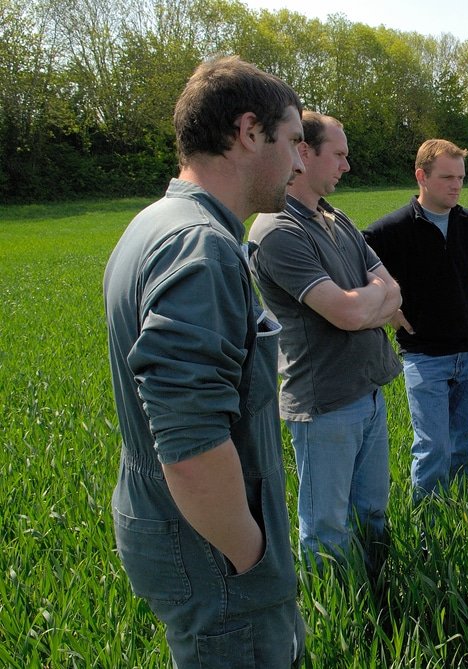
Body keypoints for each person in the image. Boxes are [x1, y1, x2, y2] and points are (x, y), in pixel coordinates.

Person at [103, 56, 306, 667]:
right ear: (249, 132)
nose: (300, 163)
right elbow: (189, 443)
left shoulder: (157, 223)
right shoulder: (202, 246)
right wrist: (251, 557)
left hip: (181, 537)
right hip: (213, 556)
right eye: (294, 141)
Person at [248, 112, 402, 577]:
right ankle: (341, 614)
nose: (347, 165)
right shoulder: (276, 231)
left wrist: (367, 301)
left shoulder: (335, 217)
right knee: (327, 528)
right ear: (304, 153)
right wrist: (370, 303)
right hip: (325, 404)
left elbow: (392, 289)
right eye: (338, 154)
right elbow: (351, 312)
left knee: (372, 513)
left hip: (368, 391)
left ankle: (380, 592)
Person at [364, 139, 468, 503]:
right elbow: (358, 264)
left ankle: (459, 507)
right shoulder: (394, 227)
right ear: (421, 176)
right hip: (425, 355)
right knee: (432, 446)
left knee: (461, 446)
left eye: (461, 178)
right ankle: (428, 522)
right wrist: (389, 311)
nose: (456, 185)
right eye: (447, 177)